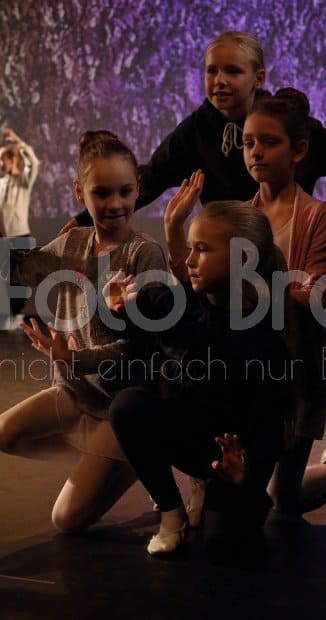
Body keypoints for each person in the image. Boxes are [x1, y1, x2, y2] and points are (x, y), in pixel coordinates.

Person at [60, 30, 326, 232]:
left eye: (232, 71)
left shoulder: (289, 123)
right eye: (211, 71)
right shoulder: (195, 132)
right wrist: (83, 221)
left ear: (258, 78)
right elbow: (149, 179)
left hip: (286, 253)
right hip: (225, 257)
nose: (220, 80)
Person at [107, 175, 293, 558]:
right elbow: (141, 314)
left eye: (202, 249)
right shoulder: (185, 304)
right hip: (190, 439)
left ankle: (320, 477)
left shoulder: (262, 339)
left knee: (225, 546)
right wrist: (116, 306)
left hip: (231, 457)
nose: (189, 260)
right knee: (127, 406)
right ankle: (170, 512)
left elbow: (271, 424)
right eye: (190, 248)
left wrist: (247, 471)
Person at [0, 130, 166, 533]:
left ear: (138, 188)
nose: (115, 204)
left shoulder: (144, 254)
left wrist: (74, 358)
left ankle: (141, 457)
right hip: (76, 396)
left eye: (125, 192)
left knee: (66, 519)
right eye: (101, 193)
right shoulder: (72, 243)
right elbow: (17, 268)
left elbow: (141, 350)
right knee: (4, 433)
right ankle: (103, 463)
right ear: (79, 193)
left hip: (119, 409)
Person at [243, 89, 326, 514]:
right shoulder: (240, 216)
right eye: (249, 142)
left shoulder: (316, 215)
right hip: (249, 371)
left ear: (298, 150)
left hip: (296, 371)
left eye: (269, 142)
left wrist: (252, 292)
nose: (256, 152)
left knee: (282, 498)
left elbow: (317, 293)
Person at [0, 127, 39, 328]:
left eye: (3, 159)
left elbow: (34, 162)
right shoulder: (3, 183)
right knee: (6, 279)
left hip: (21, 236)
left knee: (19, 279)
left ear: (12, 159)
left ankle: (17, 315)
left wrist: (18, 142)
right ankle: (10, 315)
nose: (1, 163)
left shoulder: (23, 181)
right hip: (5, 238)